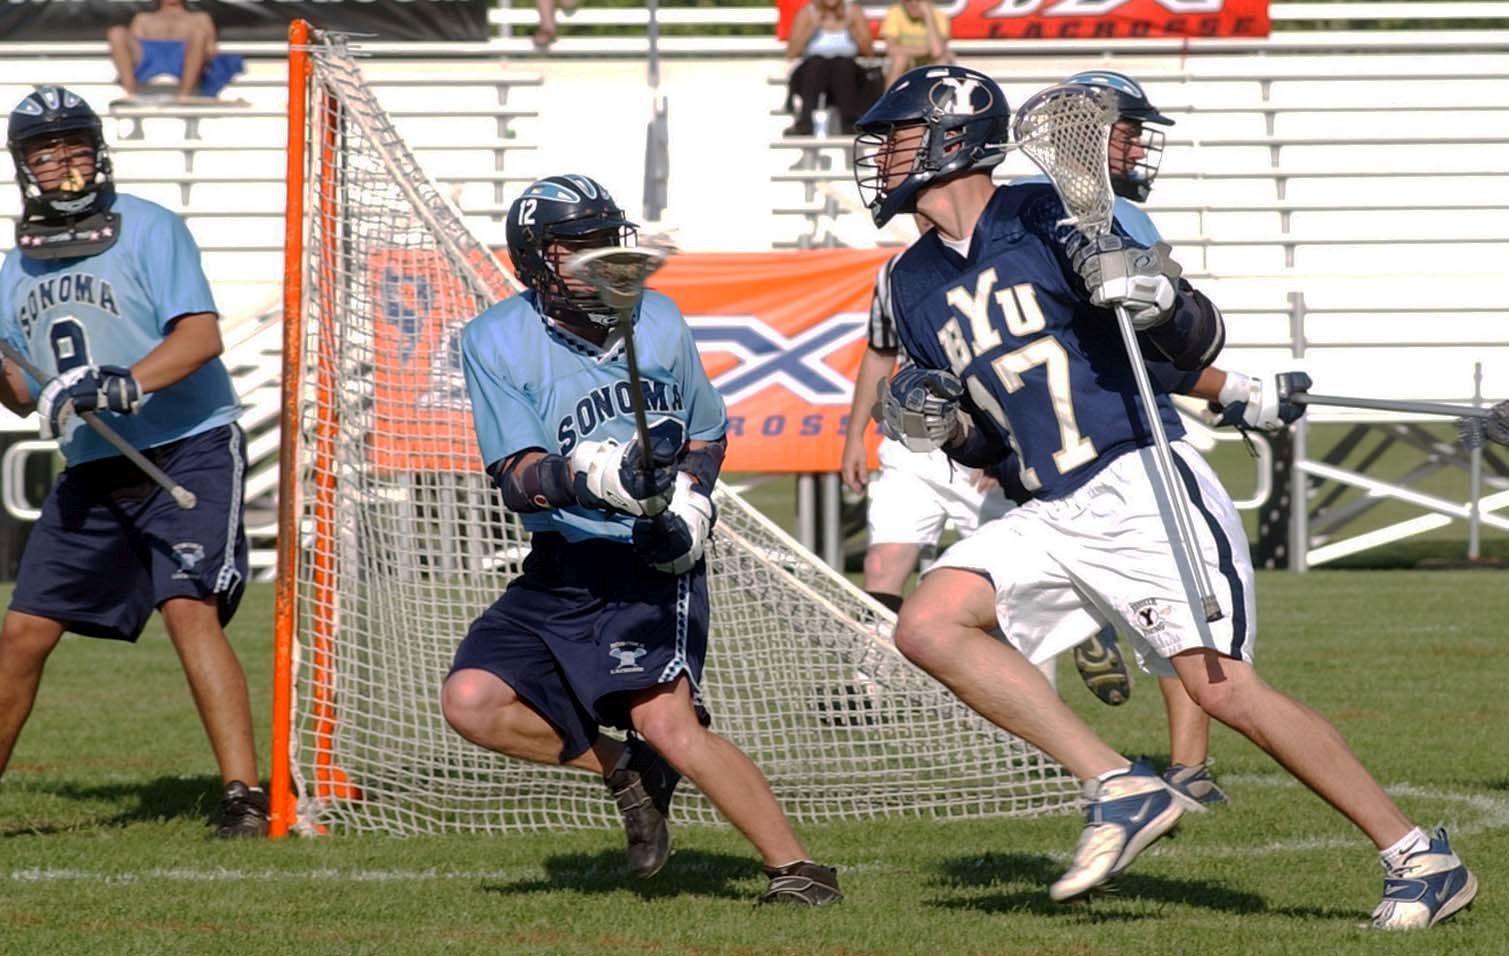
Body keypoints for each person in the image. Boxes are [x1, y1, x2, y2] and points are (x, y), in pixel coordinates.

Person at [852, 65, 1477, 928]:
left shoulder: (1047, 213)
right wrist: (948, 429)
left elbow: (1193, 337)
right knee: (925, 625)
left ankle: (1418, 857)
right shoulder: (908, 282)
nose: (882, 158)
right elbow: (990, 444)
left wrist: (1156, 297)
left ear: (949, 138)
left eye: (896, 139)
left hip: (1139, 481)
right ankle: (1118, 784)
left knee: (1223, 691)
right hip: (1046, 505)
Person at [441, 174, 841, 905]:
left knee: (665, 720)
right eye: (576, 246)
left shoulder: (657, 317)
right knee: (472, 700)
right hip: (562, 560)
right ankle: (629, 770)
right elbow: (517, 477)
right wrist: (593, 477)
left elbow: (706, 434)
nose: (596, 258)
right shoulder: (493, 338)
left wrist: (689, 504)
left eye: (604, 241)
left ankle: (799, 871)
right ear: (535, 258)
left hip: (650, 556)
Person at [0, 86, 263, 838]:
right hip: (93, 466)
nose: (63, 162)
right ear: (24, 166)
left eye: (74, 145)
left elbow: (200, 337)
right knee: (23, 632)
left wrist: (126, 382)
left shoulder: (151, 226)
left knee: (188, 608)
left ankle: (243, 796)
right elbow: (22, 394)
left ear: (99, 150)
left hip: (188, 449)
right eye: (44, 151)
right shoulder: (15, 266)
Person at [107, 0, 244, 102]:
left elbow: (210, 50)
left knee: (199, 33)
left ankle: (185, 95)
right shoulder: (143, 19)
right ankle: (131, 94)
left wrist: (206, 47)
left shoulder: (200, 18)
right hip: (149, 64)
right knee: (116, 32)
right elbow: (132, 54)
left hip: (184, 64)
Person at [783, 0, 874, 137]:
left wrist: (852, 29)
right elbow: (791, 53)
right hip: (815, 72)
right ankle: (805, 123)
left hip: (846, 72)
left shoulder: (853, 11)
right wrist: (811, 29)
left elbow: (869, 53)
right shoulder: (808, 12)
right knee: (817, 63)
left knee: (841, 64)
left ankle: (850, 123)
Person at [878, 0, 952, 88]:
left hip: (929, 65)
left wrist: (928, 16)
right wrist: (926, 50)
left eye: (919, 0)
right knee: (900, 59)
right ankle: (890, 95)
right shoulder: (895, 13)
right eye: (908, 0)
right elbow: (891, 49)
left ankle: (939, 94)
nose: (913, 3)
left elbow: (937, 52)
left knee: (942, 60)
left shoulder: (939, 16)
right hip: (906, 65)